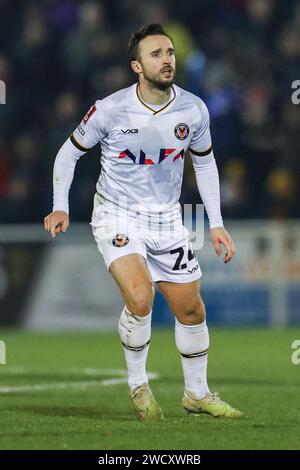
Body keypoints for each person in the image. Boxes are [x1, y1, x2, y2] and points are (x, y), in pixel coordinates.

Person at [44, 24, 243, 421]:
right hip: (116, 211)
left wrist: (216, 223)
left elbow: (204, 162)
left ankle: (197, 394)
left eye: (169, 52)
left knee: (191, 311)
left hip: (167, 217)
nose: (167, 59)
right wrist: (60, 206)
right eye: (156, 54)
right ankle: (138, 385)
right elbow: (67, 155)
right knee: (140, 297)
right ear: (137, 65)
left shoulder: (193, 109)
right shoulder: (110, 109)